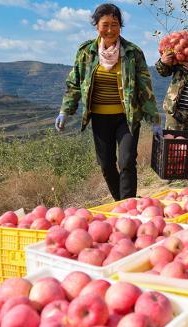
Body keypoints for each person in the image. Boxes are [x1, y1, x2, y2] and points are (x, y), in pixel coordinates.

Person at [54, 3, 159, 201]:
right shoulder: (86, 52)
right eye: (105, 24)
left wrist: (154, 119)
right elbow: (74, 83)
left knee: (127, 161)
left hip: (127, 117)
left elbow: (145, 87)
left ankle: (128, 205)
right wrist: (65, 110)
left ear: (121, 26)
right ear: (97, 26)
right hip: (100, 118)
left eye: (115, 24)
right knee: (106, 165)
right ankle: (121, 204)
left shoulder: (132, 52)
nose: (110, 29)